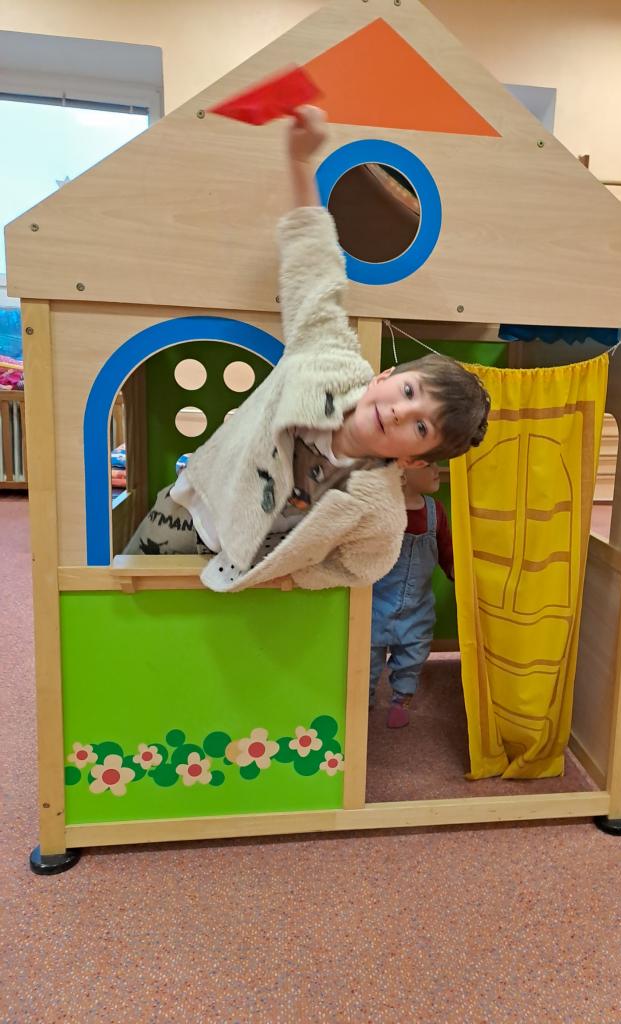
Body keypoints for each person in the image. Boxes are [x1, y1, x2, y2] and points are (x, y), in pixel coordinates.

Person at [125, 107, 489, 592]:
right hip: (188, 509)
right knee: (128, 601)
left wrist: (293, 576)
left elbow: (365, 565)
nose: (400, 412)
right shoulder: (330, 362)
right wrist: (299, 162)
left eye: (421, 426)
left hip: (247, 575)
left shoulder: (379, 509)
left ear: (414, 461)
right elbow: (315, 270)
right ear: (385, 377)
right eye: (408, 391)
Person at [369, 463, 454, 728]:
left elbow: (446, 549)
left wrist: (455, 570)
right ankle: (364, 698)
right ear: (402, 474)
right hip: (376, 604)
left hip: (417, 607)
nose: (436, 470)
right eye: (427, 465)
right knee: (367, 657)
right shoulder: (382, 511)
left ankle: (401, 700)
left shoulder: (434, 511)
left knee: (413, 656)